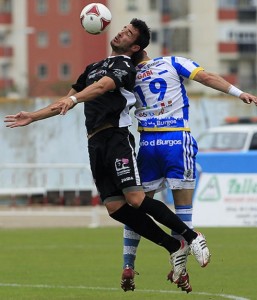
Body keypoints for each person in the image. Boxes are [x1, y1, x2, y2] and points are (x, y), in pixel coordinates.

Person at [4, 19, 210, 289]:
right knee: (115, 208)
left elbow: (100, 88)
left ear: (134, 46)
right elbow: (65, 102)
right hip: (95, 141)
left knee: (135, 198)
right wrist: (33, 116)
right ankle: (173, 246)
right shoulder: (92, 67)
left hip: (116, 137)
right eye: (123, 28)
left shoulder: (125, 66)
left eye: (128, 33)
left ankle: (191, 236)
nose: (121, 32)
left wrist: (74, 99)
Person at [121, 50, 257, 292]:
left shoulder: (128, 74)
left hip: (147, 144)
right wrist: (238, 93)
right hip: (175, 139)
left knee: (137, 207)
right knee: (183, 209)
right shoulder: (173, 62)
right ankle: (181, 268)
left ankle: (128, 264)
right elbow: (205, 77)